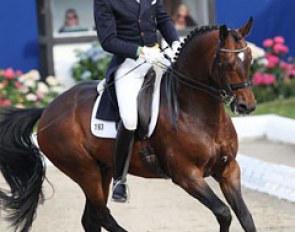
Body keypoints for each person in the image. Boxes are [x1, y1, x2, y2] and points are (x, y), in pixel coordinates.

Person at [94, 0, 180, 202]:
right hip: (129, 65)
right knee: (130, 119)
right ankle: (119, 179)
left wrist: (175, 42)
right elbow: (108, 40)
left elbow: (164, 20)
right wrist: (139, 52)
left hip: (159, 58)